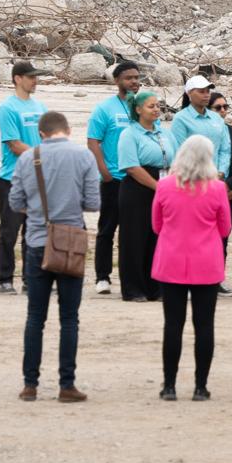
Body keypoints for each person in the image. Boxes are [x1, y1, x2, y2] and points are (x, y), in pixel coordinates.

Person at [6, 110, 99, 402]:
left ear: (42, 134)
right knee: (69, 318)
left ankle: (30, 384)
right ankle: (66, 384)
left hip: (36, 240)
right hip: (71, 240)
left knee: (35, 317)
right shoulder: (83, 157)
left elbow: (15, 201)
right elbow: (93, 202)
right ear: (68, 130)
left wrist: (37, 214)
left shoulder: (26, 158)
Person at [150, 136, 232, 401]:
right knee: (204, 325)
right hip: (206, 261)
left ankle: (169, 385)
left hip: (172, 258)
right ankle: (200, 386)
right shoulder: (218, 189)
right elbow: (225, 229)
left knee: (172, 325)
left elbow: (156, 225)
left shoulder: (164, 186)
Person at [85, 61, 143, 296]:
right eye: (129, 78)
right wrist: (104, 171)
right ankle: (102, 276)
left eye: (137, 77)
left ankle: (132, 276)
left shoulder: (144, 106)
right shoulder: (105, 109)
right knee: (107, 228)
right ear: (117, 80)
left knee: (135, 231)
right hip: (114, 179)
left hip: (138, 178)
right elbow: (93, 141)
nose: (134, 82)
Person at [115, 91, 173, 302]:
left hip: (163, 183)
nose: (156, 109)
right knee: (134, 239)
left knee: (156, 237)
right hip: (138, 189)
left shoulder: (163, 132)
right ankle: (133, 288)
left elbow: (173, 158)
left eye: (158, 105)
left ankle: (154, 286)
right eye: (151, 106)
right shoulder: (130, 134)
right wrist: (158, 187)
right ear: (138, 110)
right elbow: (131, 166)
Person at [0, 61, 44, 294]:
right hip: (13, 177)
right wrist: (43, 155)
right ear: (17, 79)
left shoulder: (40, 107)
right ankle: (5, 277)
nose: (35, 81)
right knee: (10, 230)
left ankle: (30, 278)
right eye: (31, 77)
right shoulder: (8, 108)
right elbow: (14, 144)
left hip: (36, 177)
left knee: (33, 230)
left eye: (36, 77)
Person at [168, 76, 232, 183]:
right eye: (201, 91)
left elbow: (225, 148)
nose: (206, 95)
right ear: (189, 93)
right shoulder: (181, 119)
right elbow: (178, 151)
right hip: (191, 179)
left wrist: (221, 172)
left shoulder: (216, 118)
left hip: (216, 178)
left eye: (208, 91)